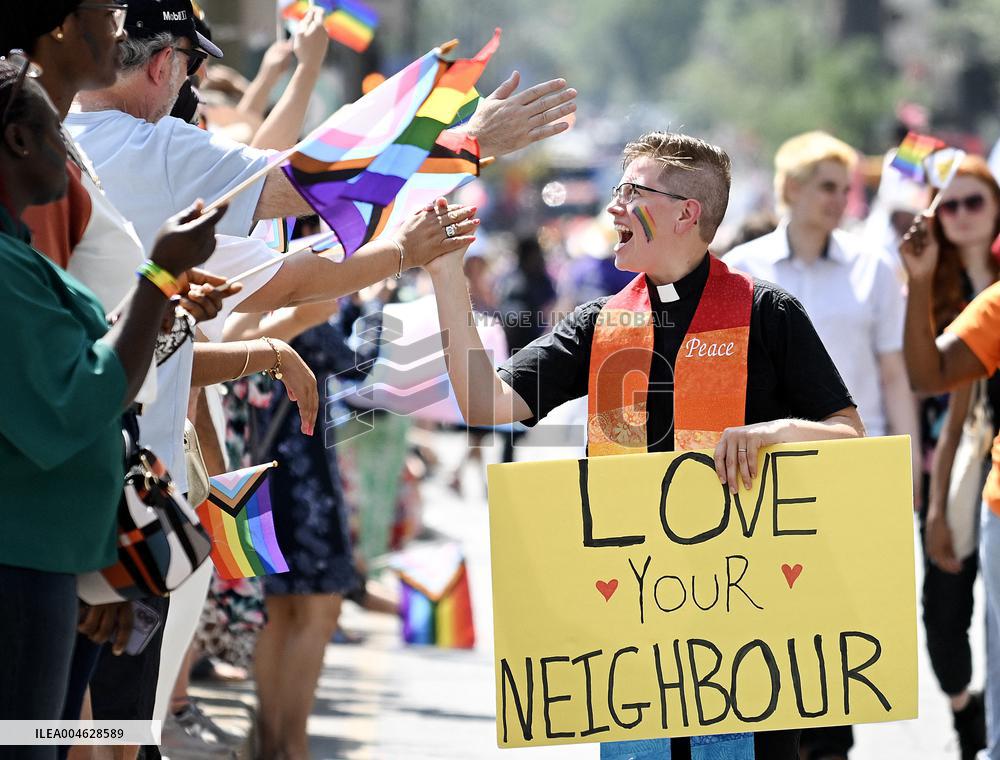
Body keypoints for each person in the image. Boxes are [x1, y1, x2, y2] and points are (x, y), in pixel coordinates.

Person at [426, 131, 864, 759]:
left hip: (750, 640)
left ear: (688, 212)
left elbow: (851, 438)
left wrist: (774, 433)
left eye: (632, 192)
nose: (613, 207)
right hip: (634, 635)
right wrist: (447, 279)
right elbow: (483, 402)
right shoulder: (598, 324)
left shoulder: (767, 313)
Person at [0, 53, 225, 744]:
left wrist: (161, 305)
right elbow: (79, 401)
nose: (70, 156)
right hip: (32, 565)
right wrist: (157, 277)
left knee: (59, 736)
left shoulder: (21, 256)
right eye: (55, 134)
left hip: (63, 559)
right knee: (35, 741)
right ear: (16, 140)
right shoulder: (8, 271)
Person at [723, 131, 920, 760]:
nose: (840, 199)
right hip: (764, 477)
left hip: (850, 469)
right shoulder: (742, 269)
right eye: (826, 186)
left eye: (846, 188)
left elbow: (893, 374)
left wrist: (907, 461)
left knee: (836, 635)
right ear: (790, 189)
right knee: (770, 629)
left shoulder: (873, 268)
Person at [902, 155, 1000, 760]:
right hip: (955, 461)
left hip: (980, 459)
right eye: (950, 205)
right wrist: (934, 501)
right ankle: (971, 717)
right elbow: (928, 381)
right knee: (946, 613)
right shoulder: (935, 288)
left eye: (976, 202)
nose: (962, 215)